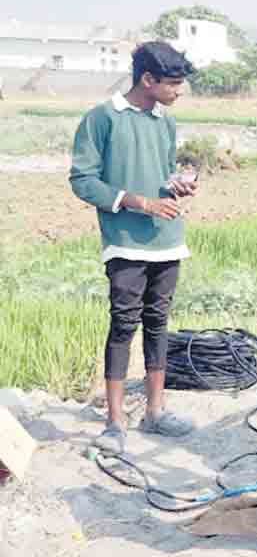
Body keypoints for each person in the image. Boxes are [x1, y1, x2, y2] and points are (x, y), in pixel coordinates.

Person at [69, 41, 198, 455]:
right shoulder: (102, 118)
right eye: (174, 84)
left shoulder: (165, 122)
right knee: (124, 325)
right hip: (125, 242)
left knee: (159, 323)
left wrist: (175, 185)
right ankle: (114, 422)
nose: (179, 92)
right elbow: (83, 180)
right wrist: (138, 201)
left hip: (167, 240)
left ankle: (156, 412)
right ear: (148, 79)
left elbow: (160, 175)